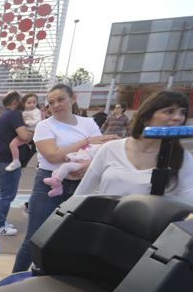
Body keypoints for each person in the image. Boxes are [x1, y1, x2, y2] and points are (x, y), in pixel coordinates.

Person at [12, 84, 118, 272]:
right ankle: (12, 282)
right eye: (51, 102)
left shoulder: (88, 123)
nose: (56, 105)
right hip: (48, 184)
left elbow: (99, 151)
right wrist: (85, 142)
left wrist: (86, 166)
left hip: (81, 185)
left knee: (69, 236)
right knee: (35, 236)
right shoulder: (45, 126)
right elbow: (53, 156)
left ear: (73, 99)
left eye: (61, 99)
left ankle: (49, 278)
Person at [76, 90, 193, 199]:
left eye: (182, 112)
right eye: (169, 111)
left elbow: (192, 205)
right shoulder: (111, 149)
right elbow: (82, 193)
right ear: (146, 116)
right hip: (104, 223)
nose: (178, 118)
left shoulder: (184, 159)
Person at [0, 91, 34, 237]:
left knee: (1, 194)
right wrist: (35, 133)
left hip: (0, 159)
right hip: (9, 161)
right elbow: (24, 136)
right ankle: (0, 225)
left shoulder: (2, 114)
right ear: (15, 102)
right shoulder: (14, 115)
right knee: (7, 195)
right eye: (22, 101)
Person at [5, 94, 41, 173]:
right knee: (16, 145)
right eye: (29, 102)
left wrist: (26, 122)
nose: (32, 104)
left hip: (30, 132)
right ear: (24, 104)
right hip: (25, 131)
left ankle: (16, 161)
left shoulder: (37, 111)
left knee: (13, 144)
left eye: (34, 102)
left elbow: (37, 121)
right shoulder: (24, 112)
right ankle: (17, 160)